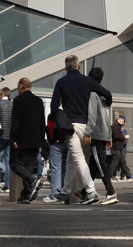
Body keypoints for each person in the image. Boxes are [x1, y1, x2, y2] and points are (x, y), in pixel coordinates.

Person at [49, 55, 109, 205]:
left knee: (78, 159)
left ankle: (90, 191)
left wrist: (58, 120)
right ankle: (64, 192)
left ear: (65, 67)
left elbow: (53, 105)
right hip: (86, 125)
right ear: (79, 66)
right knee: (72, 160)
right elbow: (107, 93)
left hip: (71, 127)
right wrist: (107, 104)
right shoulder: (87, 81)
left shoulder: (61, 82)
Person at [80, 65, 118, 203]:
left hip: (96, 134)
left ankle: (111, 192)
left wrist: (88, 133)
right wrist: (109, 136)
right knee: (93, 164)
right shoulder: (104, 96)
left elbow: (92, 116)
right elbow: (107, 117)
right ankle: (85, 191)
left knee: (100, 163)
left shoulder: (93, 94)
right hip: (103, 134)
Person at [8, 77, 47, 203]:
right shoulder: (38, 101)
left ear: (20, 86)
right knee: (29, 166)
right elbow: (42, 122)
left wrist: (13, 137)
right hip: (35, 139)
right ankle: (26, 194)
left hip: (21, 138)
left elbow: (16, 121)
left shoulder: (18, 100)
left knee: (14, 163)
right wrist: (42, 139)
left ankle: (31, 181)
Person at [111, 112, 132, 180]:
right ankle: (109, 175)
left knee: (123, 162)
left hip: (119, 148)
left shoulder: (118, 126)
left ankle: (128, 175)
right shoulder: (115, 125)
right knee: (115, 162)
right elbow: (115, 136)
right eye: (124, 120)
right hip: (116, 147)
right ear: (121, 119)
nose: (124, 122)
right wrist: (124, 137)